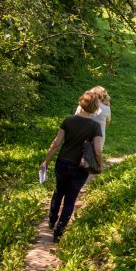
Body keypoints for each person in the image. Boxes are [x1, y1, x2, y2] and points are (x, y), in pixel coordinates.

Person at [41, 91, 103, 242]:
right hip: (80, 167)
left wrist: (46, 161)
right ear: (95, 108)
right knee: (70, 198)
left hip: (62, 162)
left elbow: (56, 143)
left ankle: (51, 219)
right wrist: (99, 164)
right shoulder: (95, 126)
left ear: (80, 102)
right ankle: (59, 231)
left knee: (58, 191)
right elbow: (98, 150)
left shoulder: (68, 120)